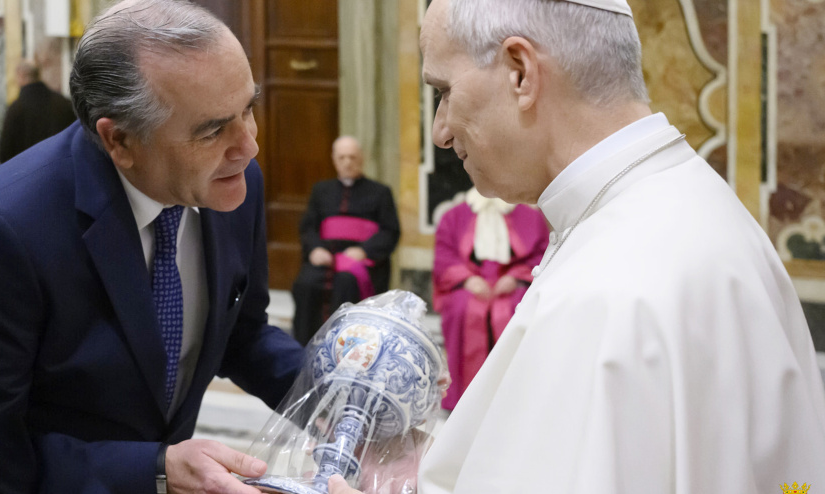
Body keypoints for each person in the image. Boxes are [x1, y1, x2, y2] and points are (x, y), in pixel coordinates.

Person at [331, 0, 825, 492]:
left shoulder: (603, 293)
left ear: (520, 72)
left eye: (443, 91)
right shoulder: (702, 205)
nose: (440, 131)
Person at [0, 1, 305, 493]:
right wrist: (153, 469)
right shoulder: (4, 232)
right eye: (213, 129)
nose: (249, 146)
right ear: (120, 142)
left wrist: (345, 390)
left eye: (248, 109)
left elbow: (241, 335)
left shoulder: (234, 181)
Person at [432, 187, 549, 410]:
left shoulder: (529, 216)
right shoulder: (454, 216)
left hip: (511, 283)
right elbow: (444, 257)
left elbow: (541, 252)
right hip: (471, 283)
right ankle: (464, 396)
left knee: (519, 307)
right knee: (461, 308)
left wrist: (516, 277)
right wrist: (467, 279)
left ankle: (515, 393)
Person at [291, 136, 400, 346]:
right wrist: (314, 249)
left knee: (346, 282)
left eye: (352, 157)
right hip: (326, 258)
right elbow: (308, 227)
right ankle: (303, 347)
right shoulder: (321, 190)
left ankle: (346, 348)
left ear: (362, 159)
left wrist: (365, 251)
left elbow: (390, 231)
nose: (347, 162)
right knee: (305, 283)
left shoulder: (381, 192)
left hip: (360, 262)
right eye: (342, 157)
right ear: (334, 160)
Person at [0, 59, 76, 163]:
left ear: (20, 76)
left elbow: (5, 151)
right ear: (39, 75)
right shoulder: (64, 103)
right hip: (62, 170)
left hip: (25, 173)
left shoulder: (15, 109)